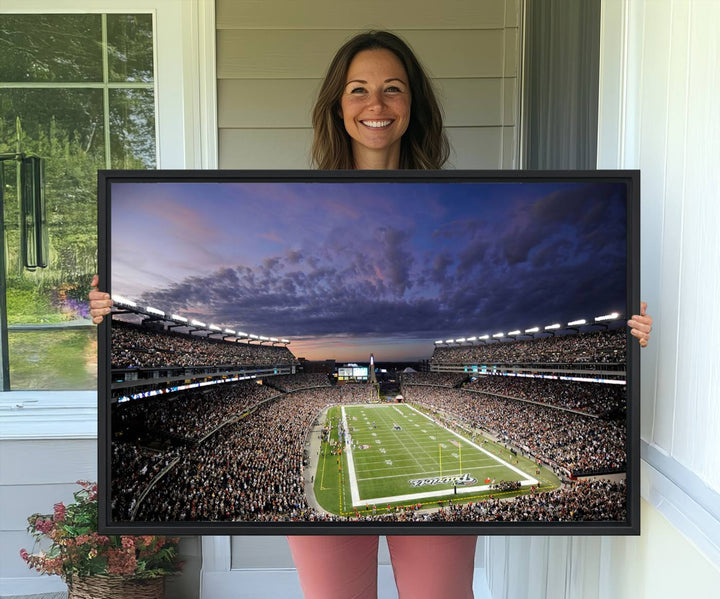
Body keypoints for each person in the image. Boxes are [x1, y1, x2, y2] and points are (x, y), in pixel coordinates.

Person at [89, 30, 653, 599]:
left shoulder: (453, 199)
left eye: (393, 89)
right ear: (338, 104)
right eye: (358, 89)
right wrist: (113, 316)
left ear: (413, 105)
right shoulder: (302, 205)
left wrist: (623, 336)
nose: (376, 105)